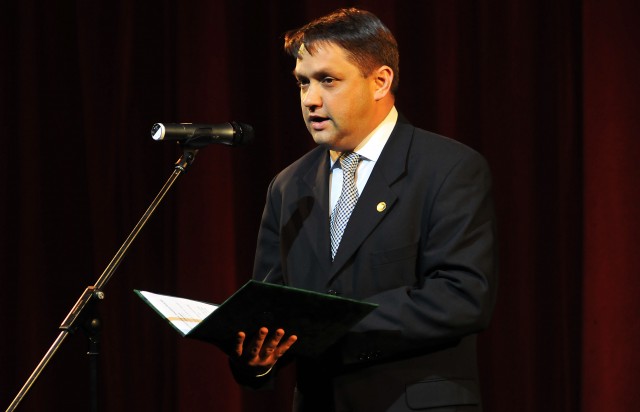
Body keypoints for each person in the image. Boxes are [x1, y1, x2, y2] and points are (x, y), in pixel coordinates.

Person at [229, 7, 498, 412]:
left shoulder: (448, 168)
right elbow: (273, 308)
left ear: (380, 81)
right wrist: (257, 359)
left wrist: (332, 322)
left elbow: (462, 297)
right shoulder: (288, 186)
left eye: (328, 80)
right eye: (303, 83)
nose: (311, 99)